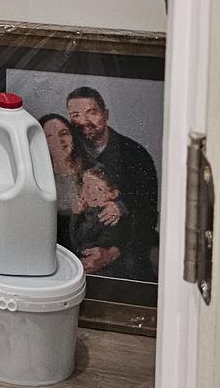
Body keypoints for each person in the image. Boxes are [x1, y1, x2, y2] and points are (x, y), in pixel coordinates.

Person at [65, 86, 158, 280]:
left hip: (126, 258)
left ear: (105, 115)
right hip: (73, 255)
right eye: (76, 115)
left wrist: (112, 253)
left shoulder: (135, 155)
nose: (84, 121)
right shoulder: (65, 152)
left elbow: (148, 216)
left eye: (92, 113)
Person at [40, 112, 87, 246]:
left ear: (72, 136)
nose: (59, 140)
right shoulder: (37, 177)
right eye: (50, 136)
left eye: (64, 133)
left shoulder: (92, 171)